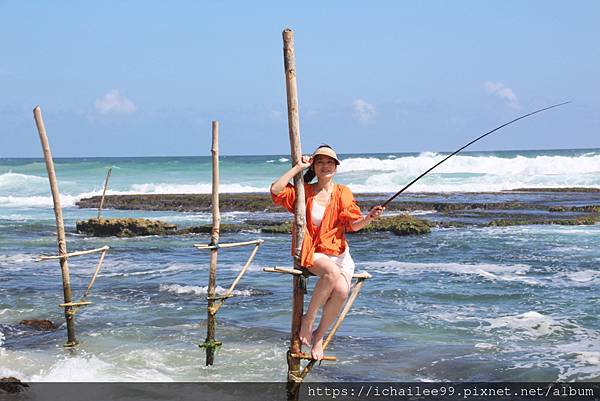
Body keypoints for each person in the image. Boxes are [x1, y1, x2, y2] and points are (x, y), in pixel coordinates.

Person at [270, 144, 384, 360]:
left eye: (330, 162)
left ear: (336, 166)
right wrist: (298, 168)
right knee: (331, 273)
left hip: (338, 250)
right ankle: (308, 321)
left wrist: (368, 218)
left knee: (341, 291)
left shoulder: (343, 193)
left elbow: (354, 225)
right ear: (314, 165)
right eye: (320, 162)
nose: (325, 166)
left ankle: (318, 336)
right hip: (311, 250)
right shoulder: (304, 191)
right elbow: (276, 190)